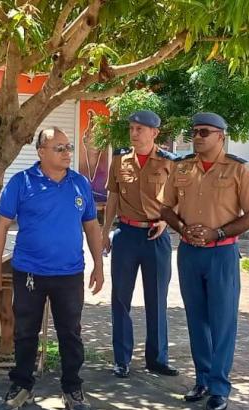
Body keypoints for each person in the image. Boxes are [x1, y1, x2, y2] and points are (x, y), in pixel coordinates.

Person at [0, 127, 104, 410]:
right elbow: (1, 224)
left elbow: (91, 225)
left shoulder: (79, 184)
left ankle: (72, 387)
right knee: (25, 331)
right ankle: (22, 385)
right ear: (41, 152)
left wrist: (99, 265)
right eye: (59, 148)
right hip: (29, 272)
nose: (67, 153)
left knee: (70, 332)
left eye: (68, 147)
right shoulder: (22, 182)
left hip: (69, 273)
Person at [160, 112, 249, 410]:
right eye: (194, 132)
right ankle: (202, 379)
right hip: (190, 252)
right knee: (196, 318)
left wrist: (217, 232)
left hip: (222, 253)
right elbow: (165, 207)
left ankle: (219, 386)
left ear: (221, 136)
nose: (198, 137)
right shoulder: (181, 168)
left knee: (222, 321)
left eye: (205, 132)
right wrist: (182, 228)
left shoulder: (237, 170)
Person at [101, 110, 178, 379]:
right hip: (126, 235)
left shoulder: (170, 162)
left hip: (156, 237)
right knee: (120, 299)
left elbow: (179, 198)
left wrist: (167, 222)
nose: (134, 133)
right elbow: (112, 198)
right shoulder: (120, 161)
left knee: (156, 299)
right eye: (132, 128)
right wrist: (104, 232)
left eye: (140, 129)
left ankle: (157, 359)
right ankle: (121, 359)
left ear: (154, 133)